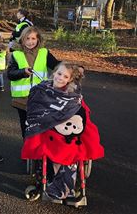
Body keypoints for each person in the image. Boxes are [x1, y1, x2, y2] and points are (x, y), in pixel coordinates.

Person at [21, 62, 104, 203]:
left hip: (68, 133)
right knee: (54, 146)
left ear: (70, 80)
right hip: (46, 130)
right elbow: (34, 110)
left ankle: (66, 185)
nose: (60, 78)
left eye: (65, 76)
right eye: (59, 74)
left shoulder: (73, 96)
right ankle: (55, 181)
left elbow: (83, 115)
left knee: (72, 147)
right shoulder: (41, 90)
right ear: (54, 73)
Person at [7, 26, 60, 138]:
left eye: (33, 38)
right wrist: (23, 72)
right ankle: (28, 149)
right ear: (22, 39)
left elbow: (57, 66)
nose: (30, 42)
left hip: (40, 97)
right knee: (26, 125)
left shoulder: (44, 53)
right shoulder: (16, 54)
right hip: (22, 99)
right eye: (27, 39)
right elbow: (10, 74)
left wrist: (72, 68)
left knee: (40, 125)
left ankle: (38, 149)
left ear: (38, 40)